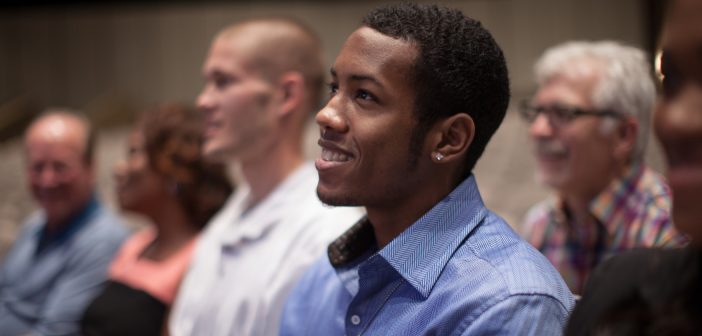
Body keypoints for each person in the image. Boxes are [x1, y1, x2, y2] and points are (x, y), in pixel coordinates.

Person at [280, 4, 574, 335]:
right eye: (335, 89)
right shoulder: (321, 281)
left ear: (449, 139)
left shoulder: (507, 304)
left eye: (364, 95)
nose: (326, 115)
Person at [168, 18, 362, 336]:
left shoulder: (327, 234)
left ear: (286, 95)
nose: (203, 101)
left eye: (223, 81)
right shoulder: (232, 213)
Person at [565, 0, 702, 334]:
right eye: (669, 81)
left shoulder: (658, 228)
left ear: (625, 134)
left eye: (564, 114)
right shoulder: (620, 290)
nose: (674, 120)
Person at [519, 40, 687, 294]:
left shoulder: (670, 232)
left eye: (563, 113)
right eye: (537, 112)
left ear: (623, 135)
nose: (538, 130)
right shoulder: (540, 225)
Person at [80, 104, 232, 335]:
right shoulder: (137, 244)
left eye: (133, 153)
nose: (119, 169)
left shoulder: (201, 260)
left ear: (172, 167)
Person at [0, 110, 128, 335]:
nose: (47, 181)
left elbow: (53, 332)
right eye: (37, 167)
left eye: (60, 167)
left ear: (90, 168)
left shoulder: (102, 242)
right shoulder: (34, 225)